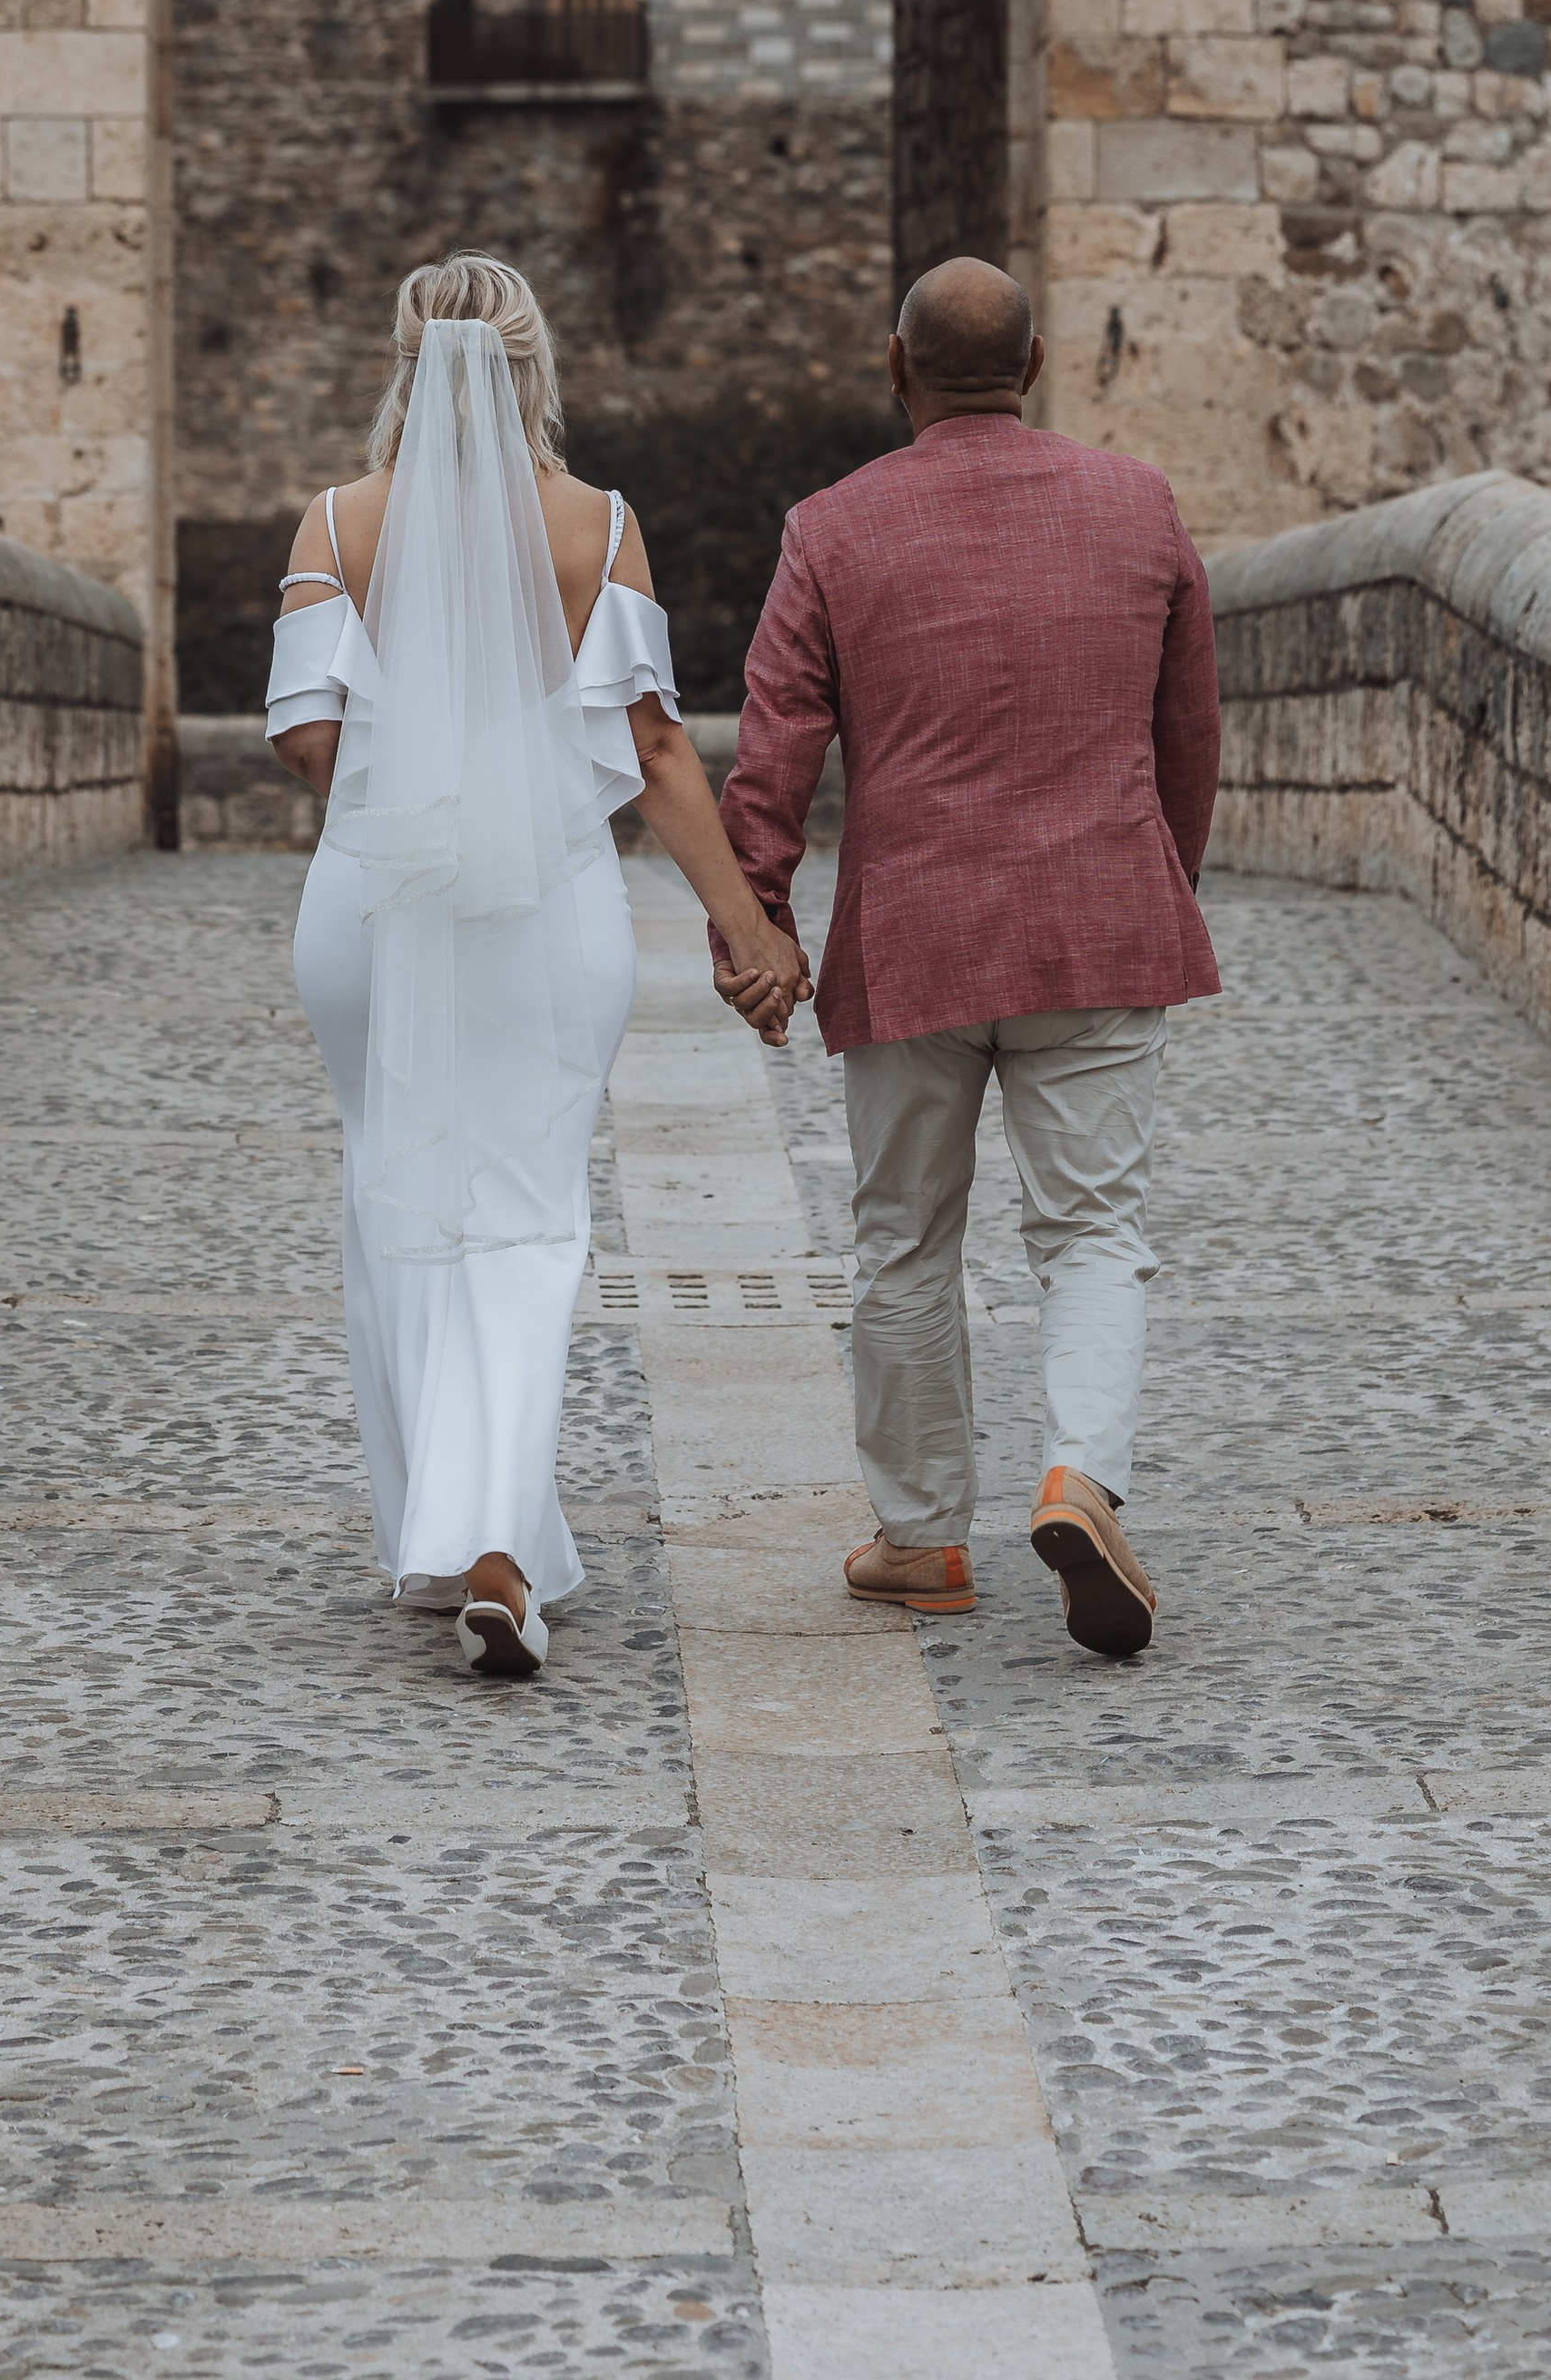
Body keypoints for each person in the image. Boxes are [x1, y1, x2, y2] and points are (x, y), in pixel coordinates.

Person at [268, 253, 810, 1681]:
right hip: (549, 909)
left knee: (396, 1175)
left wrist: (425, 777)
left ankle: (453, 1529)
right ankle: (496, 1536)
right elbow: (648, 748)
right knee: (531, 1212)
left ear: (403, 364)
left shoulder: (335, 523)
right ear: (531, 367)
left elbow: (310, 745)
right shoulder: (600, 523)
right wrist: (744, 930)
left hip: (377, 909)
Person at [714, 256, 1221, 1657]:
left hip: (915, 937)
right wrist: (1157, 876)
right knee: (1095, 1231)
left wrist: (754, 923)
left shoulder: (832, 527)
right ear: (1040, 361)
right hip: (1099, 917)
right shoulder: (1142, 504)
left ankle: (924, 1536)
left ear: (896, 367)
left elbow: (776, 748)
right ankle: (1078, 1476)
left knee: (903, 1238)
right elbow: (1191, 733)